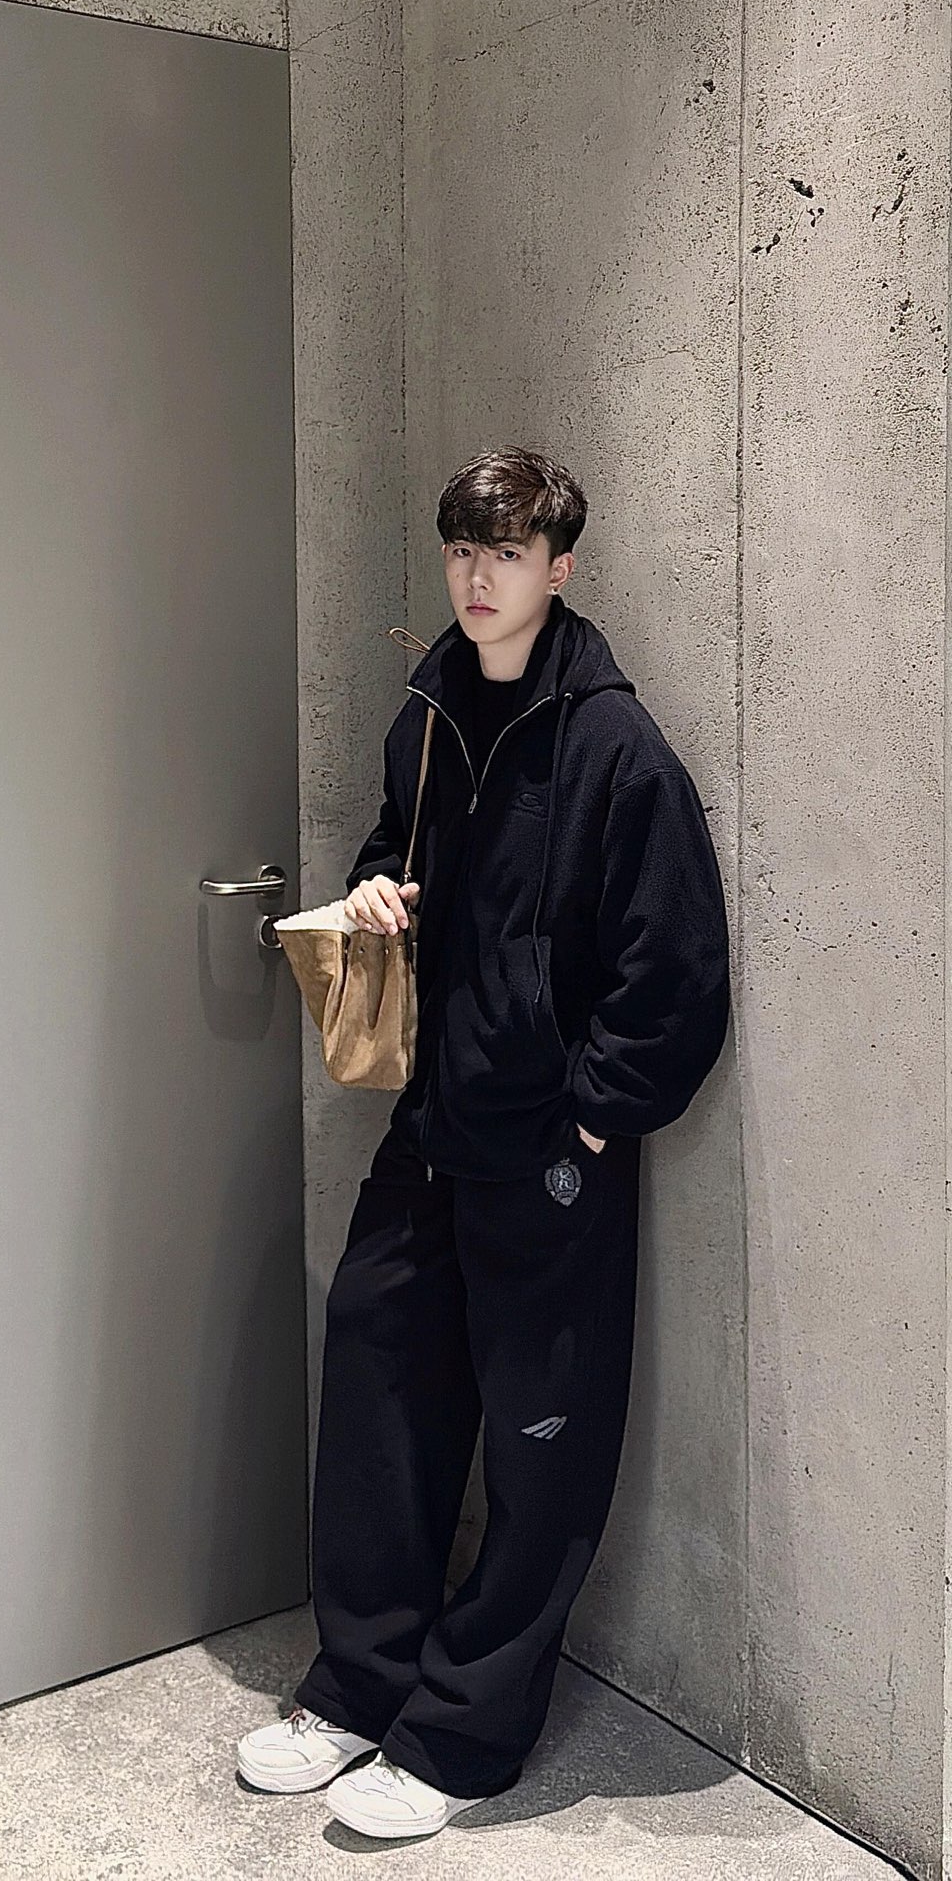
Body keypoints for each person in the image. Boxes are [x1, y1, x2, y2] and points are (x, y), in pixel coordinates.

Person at [236, 447, 731, 1838]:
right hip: (431, 1127)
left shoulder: (617, 747)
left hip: (551, 1152)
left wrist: (597, 1110)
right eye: (463, 548)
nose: (477, 576)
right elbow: (394, 851)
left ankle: (462, 1732)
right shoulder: (430, 715)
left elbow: (676, 966)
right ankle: (359, 1683)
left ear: (559, 568)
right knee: (379, 1391)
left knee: (540, 1447)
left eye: (507, 553)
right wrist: (375, 896)